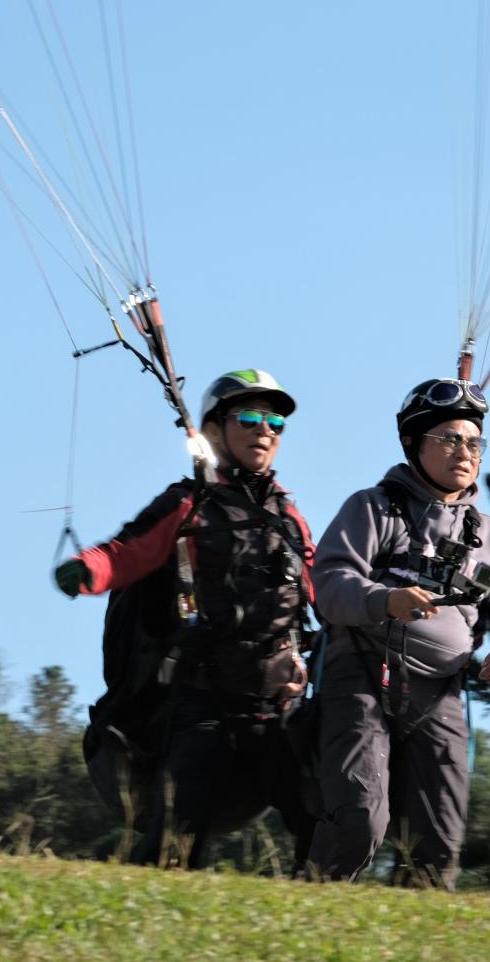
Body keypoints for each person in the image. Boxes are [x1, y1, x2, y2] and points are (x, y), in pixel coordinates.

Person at [54, 369, 317, 870]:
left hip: (276, 704)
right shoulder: (188, 503)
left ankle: (329, 910)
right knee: (176, 833)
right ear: (214, 431)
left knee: (321, 816)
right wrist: (86, 570)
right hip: (203, 699)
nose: (265, 430)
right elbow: (128, 550)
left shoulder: (289, 517)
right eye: (249, 418)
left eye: (275, 422)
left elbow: (322, 587)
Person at [307, 377, 490, 889]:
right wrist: (383, 600)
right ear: (414, 444)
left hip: (439, 695)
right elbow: (328, 583)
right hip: (363, 677)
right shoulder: (373, 508)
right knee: (360, 822)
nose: (465, 451)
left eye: (474, 442)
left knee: (437, 847)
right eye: (449, 439)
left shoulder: (489, 536)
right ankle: (304, 913)